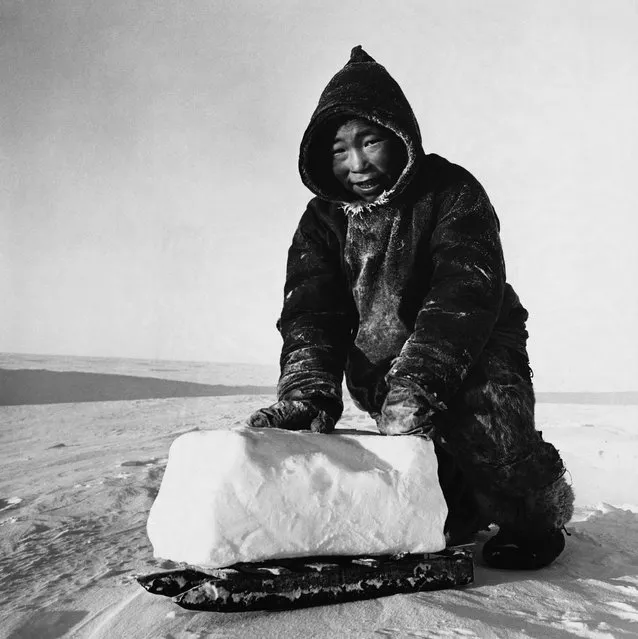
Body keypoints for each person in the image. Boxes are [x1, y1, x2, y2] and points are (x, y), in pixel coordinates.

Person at [248, 45, 574, 570]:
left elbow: (465, 291)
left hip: (477, 350)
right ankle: (459, 507)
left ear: (400, 136)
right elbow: (312, 311)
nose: (356, 164)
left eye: (370, 140)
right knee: (426, 476)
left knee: (496, 448)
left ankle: (534, 518)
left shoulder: (451, 191)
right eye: (338, 150)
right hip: (381, 363)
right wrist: (308, 391)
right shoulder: (321, 221)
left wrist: (418, 382)